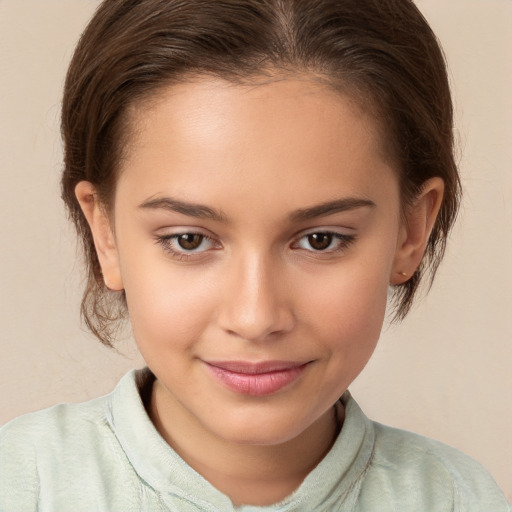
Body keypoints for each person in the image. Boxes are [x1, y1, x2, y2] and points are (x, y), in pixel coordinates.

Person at [0, 0, 509, 510]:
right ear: (105, 233)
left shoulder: (458, 498)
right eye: (189, 240)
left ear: (410, 231)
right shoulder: (22, 484)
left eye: (321, 239)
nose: (255, 318)